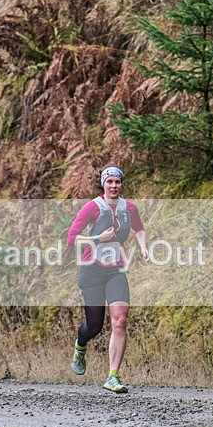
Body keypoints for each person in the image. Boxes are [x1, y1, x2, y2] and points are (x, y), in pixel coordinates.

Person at [66, 166, 148, 393]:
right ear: (103, 184)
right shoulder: (92, 207)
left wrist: (143, 247)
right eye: (110, 182)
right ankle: (80, 347)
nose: (114, 186)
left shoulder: (129, 208)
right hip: (91, 270)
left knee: (120, 320)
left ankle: (113, 377)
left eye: (117, 182)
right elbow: (71, 239)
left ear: (122, 184)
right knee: (94, 327)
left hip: (116, 270)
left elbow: (139, 228)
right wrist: (97, 237)